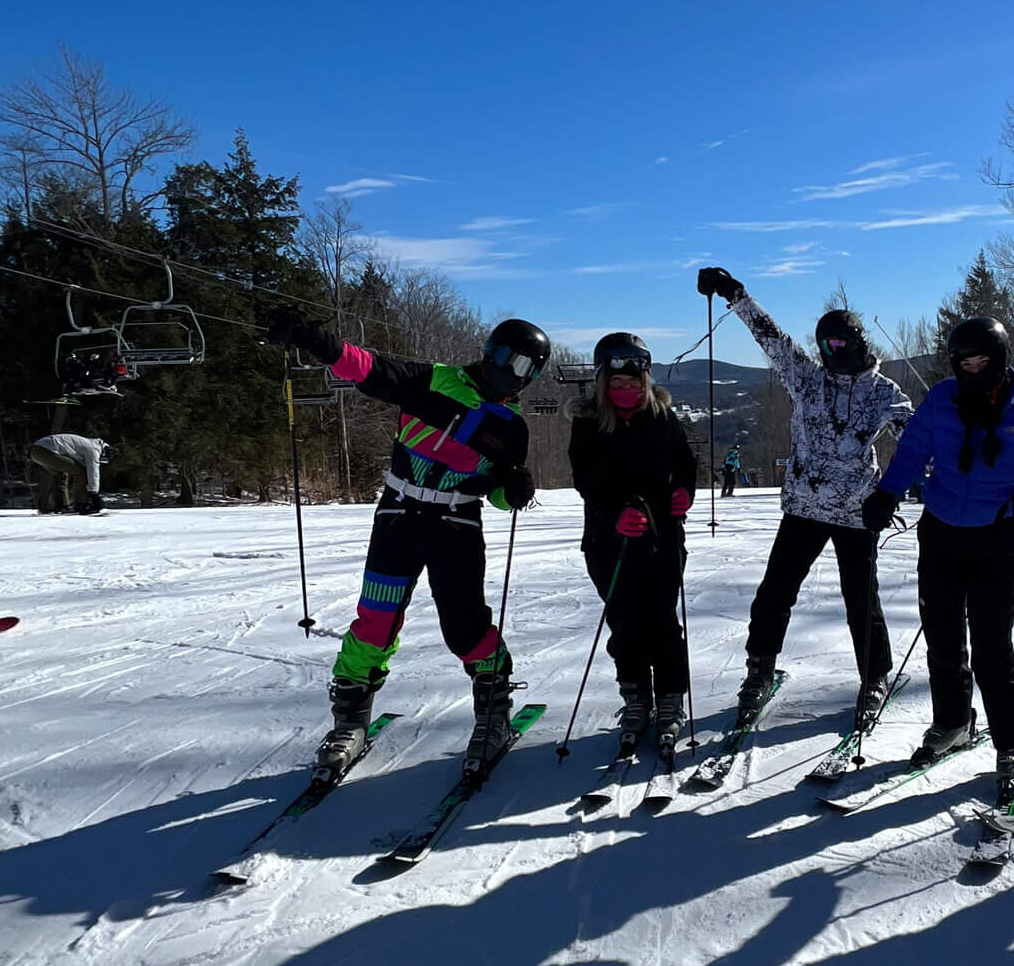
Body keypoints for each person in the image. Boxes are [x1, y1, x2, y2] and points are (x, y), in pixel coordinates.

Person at [269, 306, 550, 780]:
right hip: (399, 516)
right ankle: (350, 719)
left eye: (528, 369)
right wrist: (316, 341)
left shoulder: (509, 425)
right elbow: (368, 368)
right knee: (375, 620)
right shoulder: (433, 380)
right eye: (511, 360)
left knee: (463, 626)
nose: (515, 374)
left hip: (457, 525)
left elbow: (500, 492)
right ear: (492, 352)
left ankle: (493, 705)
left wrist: (515, 491)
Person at [859, 315, 1014, 805]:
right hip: (942, 528)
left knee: (993, 644)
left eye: (982, 362)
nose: (972, 371)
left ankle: (1012, 741)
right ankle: (953, 722)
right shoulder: (942, 399)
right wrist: (886, 493)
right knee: (943, 634)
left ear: (999, 360)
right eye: (964, 363)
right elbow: (911, 451)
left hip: (997, 535)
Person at [697, 269, 911, 727]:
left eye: (838, 344)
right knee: (775, 592)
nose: (830, 353)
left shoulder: (882, 392)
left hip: (856, 513)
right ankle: (759, 669)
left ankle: (874, 677)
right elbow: (770, 337)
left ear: (856, 341)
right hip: (803, 508)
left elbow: (916, 439)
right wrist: (736, 294)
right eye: (824, 346)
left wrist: (900, 487)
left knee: (861, 600)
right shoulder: (807, 379)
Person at [568, 333, 699, 758]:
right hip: (609, 541)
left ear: (645, 381)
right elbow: (585, 479)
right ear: (602, 381)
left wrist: (685, 493)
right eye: (617, 383)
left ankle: (670, 699)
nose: (625, 390)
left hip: (661, 538)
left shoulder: (663, 417)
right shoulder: (587, 423)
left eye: (633, 382)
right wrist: (613, 512)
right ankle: (636, 696)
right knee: (624, 621)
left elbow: (685, 463)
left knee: (662, 621)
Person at [31, 430, 111, 514]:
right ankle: (80, 505)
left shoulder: (87, 444)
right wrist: (94, 494)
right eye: (102, 459)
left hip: (36, 451)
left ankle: (58, 506)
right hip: (45, 450)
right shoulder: (93, 449)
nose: (100, 461)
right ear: (103, 452)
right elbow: (93, 471)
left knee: (60, 474)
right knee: (81, 472)